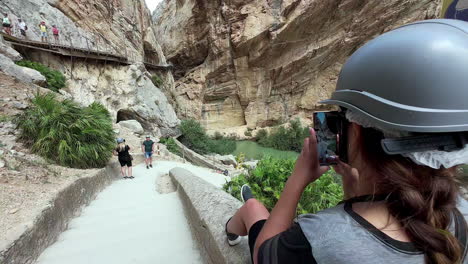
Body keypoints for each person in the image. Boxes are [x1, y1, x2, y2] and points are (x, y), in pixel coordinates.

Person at [225, 19, 468, 264]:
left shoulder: (321, 239)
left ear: (358, 131)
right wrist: (355, 187)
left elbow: (264, 256)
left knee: (254, 208)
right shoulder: (459, 212)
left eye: (340, 119)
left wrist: (298, 178)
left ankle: (231, 229)